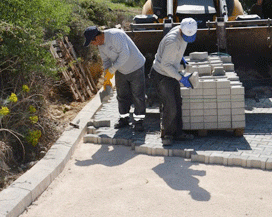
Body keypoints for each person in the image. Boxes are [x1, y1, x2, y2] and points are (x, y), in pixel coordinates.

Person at [83, 26, 147, 132]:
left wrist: (112, 70)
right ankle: (124, 118)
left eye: (91, 42)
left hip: (136, 67)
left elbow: (125, 54)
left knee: (138, 95)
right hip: (121, 70)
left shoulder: (116, 35)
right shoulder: (101, 45)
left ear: (97, 37)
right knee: (122, 95)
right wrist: (106, 77)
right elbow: (106, 61)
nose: (92, 44)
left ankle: (139, 121)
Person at [150, 18, 197, 146]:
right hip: (162, 75)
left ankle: (178, 133)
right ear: (181, 29)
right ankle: (167, 135)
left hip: (170, 73)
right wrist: (181, 78)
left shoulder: (183, 32)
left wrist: (179, 57)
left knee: (178, 102)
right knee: (170, 106)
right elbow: (165, 65)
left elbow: (174, 51)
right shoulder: (172, 41)